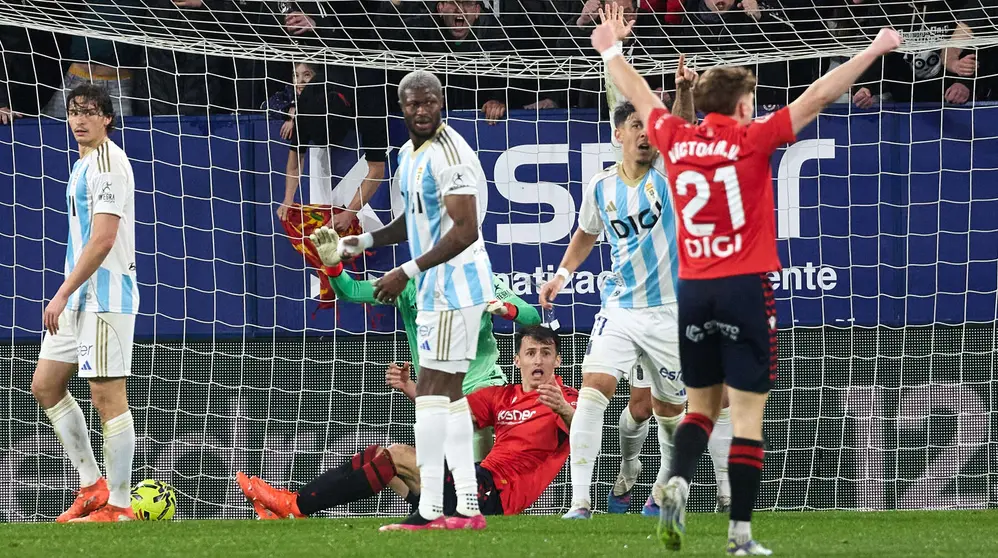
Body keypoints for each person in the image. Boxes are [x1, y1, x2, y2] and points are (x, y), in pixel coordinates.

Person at [591, 4, 901, 554]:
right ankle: (739, 536)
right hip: (744, 288)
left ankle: (676, 482)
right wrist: (874, 49)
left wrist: (610, 47)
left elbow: (638, 93)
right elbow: (818, 96)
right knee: (745, 415)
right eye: (751, 100)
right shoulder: (752, 138)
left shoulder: (676, 140)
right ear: (740, 106)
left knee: (699, 409)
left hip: (691, 293)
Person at [538, 60, 729, 520]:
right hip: (620, 308)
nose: (646, 133)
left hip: (671, 312)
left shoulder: (669, 172)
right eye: (636, 126)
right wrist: (561, 276)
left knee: (668, 412)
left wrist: (683, 91)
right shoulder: (601, 185)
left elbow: (681, 125)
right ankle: (579, 502)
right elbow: (586, 234)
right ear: (618, 134)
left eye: (650, 126)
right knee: (594, 388)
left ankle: (665, 488)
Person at [336, 70, 496, 531]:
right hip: (442, 287)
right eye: (413, 104)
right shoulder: (408, 154)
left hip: (454, 287)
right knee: (451, 397)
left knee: (428, 393)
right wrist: (365, 241)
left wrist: (405, 271)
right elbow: (416, 218)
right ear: (402, 107)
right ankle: (468, 508)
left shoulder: (452, 154)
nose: (422, 111)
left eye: (429, 102)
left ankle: (429, 510)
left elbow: (466, 230)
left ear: (441, 102)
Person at [235, 326, 577, 519]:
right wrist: (411, 388)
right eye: (531, 352)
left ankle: (294, 506)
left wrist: (563, 409)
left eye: (546, 353)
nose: (538, 360)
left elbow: (584, 433)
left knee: (398, 456)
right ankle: (291, 504)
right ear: (517, 360)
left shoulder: (568, 397)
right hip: (473, 480)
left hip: (496, 496)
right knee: (378, 456)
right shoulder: (500, 396)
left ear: (558, 360)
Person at [308, 224, 541, 459]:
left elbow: (532, 317)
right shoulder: (407, 284)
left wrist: (506, 309)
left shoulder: (482, 281)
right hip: (436, 395)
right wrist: (332, 266)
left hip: (482, 383)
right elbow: (352, 291)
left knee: (471, 438)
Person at [31, 84, 140, 522]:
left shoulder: (109, 164)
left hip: (105, 297)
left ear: (107, 118)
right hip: (79, 297)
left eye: (90, 112)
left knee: (106, 395)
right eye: (74, 111)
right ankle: (93, 486)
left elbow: (104, 239)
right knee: (45, 385)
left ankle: (120, 505)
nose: (79, 119)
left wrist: (60, 292)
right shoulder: (82, 164)